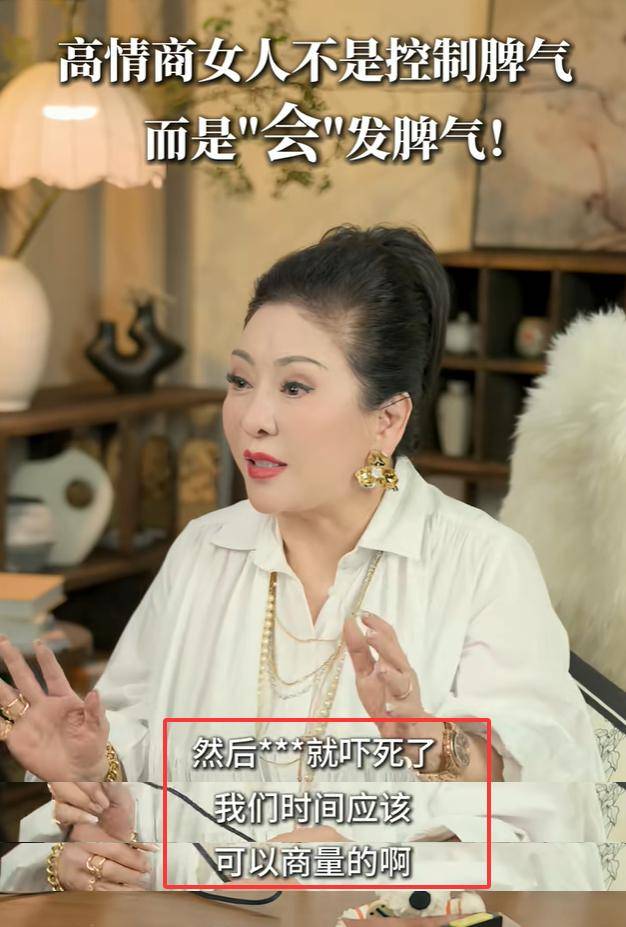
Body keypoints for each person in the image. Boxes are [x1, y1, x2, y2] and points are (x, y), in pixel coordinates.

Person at [0, 225, 606, 893]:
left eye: (294, 387)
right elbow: (135, 769)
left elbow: (537, 829)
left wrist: (417, 746)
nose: (252, 418)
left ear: (387, 420)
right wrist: (94, 784)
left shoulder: (482, 563)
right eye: (240, 380)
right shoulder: (205, 548)